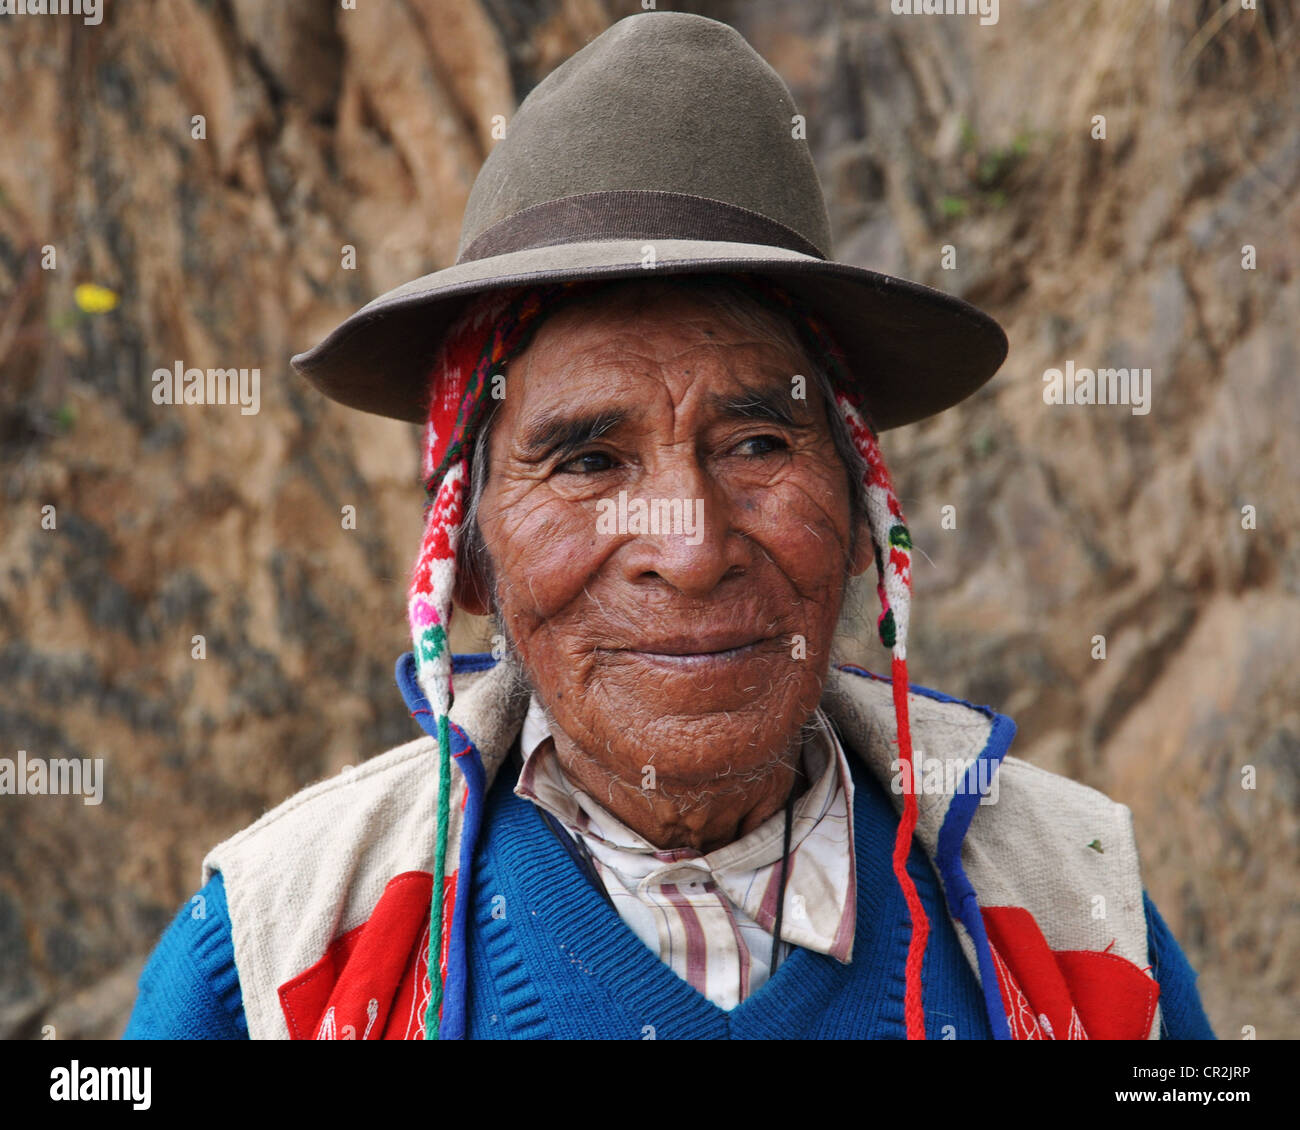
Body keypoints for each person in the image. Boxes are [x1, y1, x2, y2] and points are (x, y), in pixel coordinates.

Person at [124, 11, 1213, 1040]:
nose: (689, 547)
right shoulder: (278, 953)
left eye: (757, 444)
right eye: (587, 460)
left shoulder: (1071, 913)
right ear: (466, 553)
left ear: (861, 511)